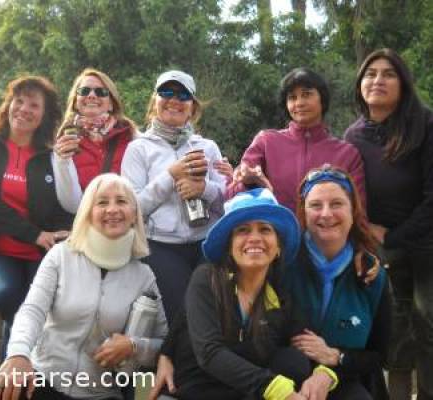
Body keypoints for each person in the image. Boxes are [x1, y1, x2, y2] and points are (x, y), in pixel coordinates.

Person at [148, 188, 340, 400]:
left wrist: (324, 374)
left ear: (278, 248)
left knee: (294, 362)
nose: (254, 238)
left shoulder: (280, 299)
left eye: (265, 229)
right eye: (243, 230)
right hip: (186, 394)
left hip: (241, 395)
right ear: (229, 247)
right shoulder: (207, 279)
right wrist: (279, 391)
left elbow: (311, 346)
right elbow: (210, 353)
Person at [0, 173, 168, 400]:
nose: (112, 209)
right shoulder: (61, 255)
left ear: (134, 214)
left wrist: (134, 346)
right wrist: (17, 354)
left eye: (121, 201)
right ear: (88, 213)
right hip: (43, 381)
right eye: (102, 202)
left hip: (101, 393)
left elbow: (164, 341)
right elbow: (32, 310)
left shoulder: (143, 276)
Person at [344, 48, 433, 400]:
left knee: (428, 322)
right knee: (393, 327)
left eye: (388, 74)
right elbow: (350, 193)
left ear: (403, 83)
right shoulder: (354, 136)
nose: (377, 80)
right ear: (360, 84)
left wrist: (396, 235)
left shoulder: (426, 125)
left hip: (427, 242)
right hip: (382, 246)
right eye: (370, 74)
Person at [0, 76, 74, 359]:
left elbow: (59, 206)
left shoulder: (48, 157)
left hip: (41, 252)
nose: (24, 109)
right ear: (9, 105)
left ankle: (12, 383)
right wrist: (33, 234)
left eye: (34, 105)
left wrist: (67, 232)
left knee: (48, 306)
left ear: (44, 115)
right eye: (20, 101)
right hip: (0, 251)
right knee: (7, 297)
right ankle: (21, 376)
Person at [121, 70, 227, 324]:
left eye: (183, 95)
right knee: (181, 314)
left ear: (193, 107)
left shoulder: (208, 147)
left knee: (211, 314)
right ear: (154, 101)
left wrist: (204, 189)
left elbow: (228, 200)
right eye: (166, 92)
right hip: (160, 245)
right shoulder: (138, 148)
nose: (174, 100)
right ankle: (176, 363)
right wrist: (170, 176)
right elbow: (133, 209)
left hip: (206, 242)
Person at [287, 164, 391, 399]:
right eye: (315, 205)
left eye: (336, 204)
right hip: (286, 381)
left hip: (346, 379)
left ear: (353, 210)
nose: (326, 214)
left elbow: (379, 355)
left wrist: (335, 360)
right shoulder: (282, 264)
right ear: (303, 211)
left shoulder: (372, 274)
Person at [228, 67, 365, 212]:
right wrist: (248, 183)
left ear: (322, 99)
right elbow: (231, 196)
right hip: (277, 232)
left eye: (306, 94)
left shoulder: (347, 154)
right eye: (292, 97)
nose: (299, 103)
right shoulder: (266, 142)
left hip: (327, 232)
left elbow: (358, 210)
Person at [52, 68, 137, 213]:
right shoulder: (62, 142)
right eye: (84, 91)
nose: (91, 95)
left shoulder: (133, 137)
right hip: (86, 226)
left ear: (111, 103)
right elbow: (71, 205)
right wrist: (62, 162)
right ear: (75, 101)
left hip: (125, 224)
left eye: (101, 92)